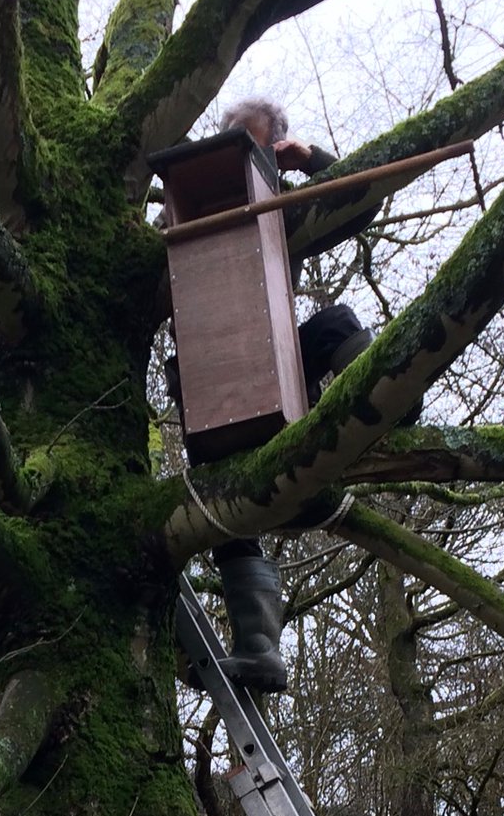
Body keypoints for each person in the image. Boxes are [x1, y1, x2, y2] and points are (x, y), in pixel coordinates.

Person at [171, 97, 401, 694]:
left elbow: (360, 200)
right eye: (233, 147)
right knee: (212, 485)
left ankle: (389, 403)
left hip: (278, 372)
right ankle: (259, 647)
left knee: (336, 324)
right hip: (218, 386)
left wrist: (305, 160)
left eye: (257, 146)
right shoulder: (192, 222)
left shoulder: (285, 215)